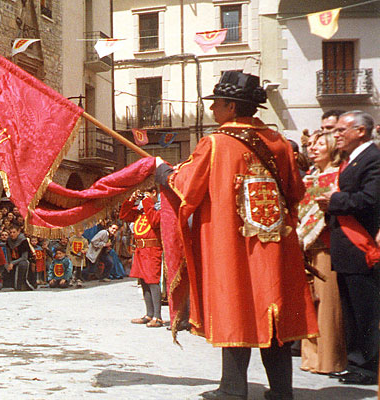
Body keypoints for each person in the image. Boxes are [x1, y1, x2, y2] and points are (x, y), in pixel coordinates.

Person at [155, 71, 317, 399]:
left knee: (236, 308)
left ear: (231, 106)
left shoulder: (214, 143)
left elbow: (189, 188)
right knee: (275, 312)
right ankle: (282, 391)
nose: (212, 110)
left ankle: (232, 389)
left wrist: (163, 172)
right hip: (277, 243)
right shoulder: (281, 144)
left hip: (232, 246)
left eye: (216, 104)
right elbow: (297, 190)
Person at [315, 110, 380, 385]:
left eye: (342, 129)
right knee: (351, 309)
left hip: (360, 243)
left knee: (365, 309)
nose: (337, 135)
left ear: (361, 132)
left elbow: (369, 198)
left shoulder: (373, 159)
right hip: (346, 247)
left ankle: (367, 365)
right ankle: (355, 362)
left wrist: (336, 201)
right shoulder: (352, 159)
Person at [297, 130, 346, 374]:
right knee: (309, 302)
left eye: (319, 145)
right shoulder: (310, 176)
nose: (313, 149)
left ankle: (329, 360)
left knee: (327, 304)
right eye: (312, 145)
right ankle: (311, 358)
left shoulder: (338, 175)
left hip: (326, 243)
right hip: (306, 244)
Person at [120, 188, 164, 328]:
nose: (145, 196)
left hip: (152, 249)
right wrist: (132, 199)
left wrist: (147, 201)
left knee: (152, 281)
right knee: (143, 281)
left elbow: (155, 221)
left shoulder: (159, 211)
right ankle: (149, 314)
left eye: (148, 193)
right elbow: (124, 215)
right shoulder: (141, 212)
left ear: (154, 193)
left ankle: (158, 317)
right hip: (140, 250)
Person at [4, 225, 33, 291]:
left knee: (23, 264)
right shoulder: (8, 241)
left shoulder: (23, 241)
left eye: (14, 232)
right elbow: (9, 255)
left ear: (18, 232)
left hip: (24, 261)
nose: (12, 234)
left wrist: (12, 263)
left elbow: (24, 257)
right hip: (13, 262)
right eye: (10, 232)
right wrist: (8, 264)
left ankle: (22, 283)